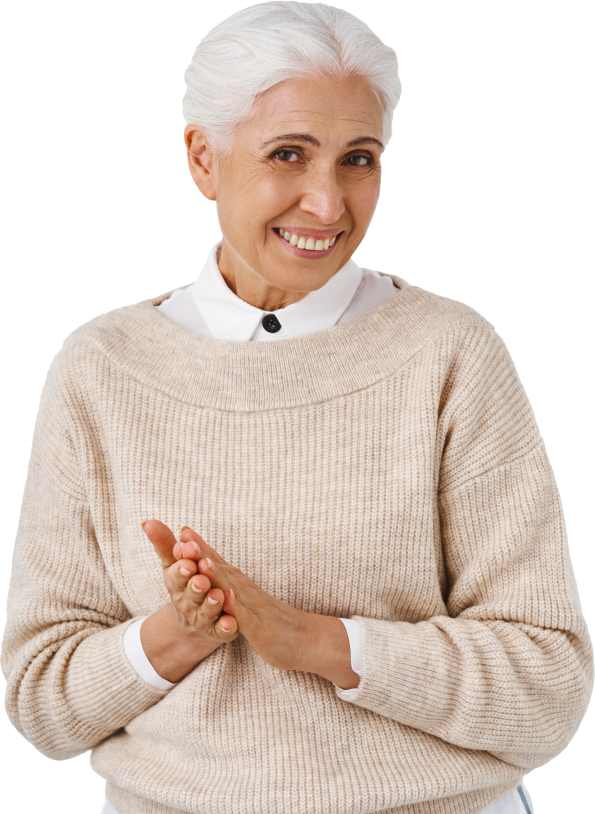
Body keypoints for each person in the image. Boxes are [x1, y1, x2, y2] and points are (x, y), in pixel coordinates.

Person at [2, 3, 592, 813]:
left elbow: (547, 691)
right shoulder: (102, 369)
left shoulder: (450, 353)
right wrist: (180, 633)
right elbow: (43, 705)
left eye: (358, 159)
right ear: (202, 158)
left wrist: (318, 643)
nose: (327, 204)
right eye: (288, 153)